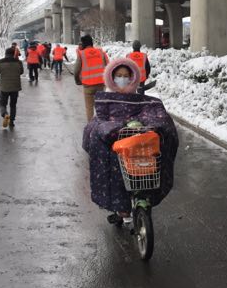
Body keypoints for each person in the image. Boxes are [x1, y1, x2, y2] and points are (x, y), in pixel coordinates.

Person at [82, 58, 178, 225]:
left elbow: (154, 113)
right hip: (119, 146)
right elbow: (100, 123)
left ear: (133, 77)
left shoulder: (141, 100)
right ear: (112, 78)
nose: (122, 79)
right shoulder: (106, 100)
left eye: (126, 75)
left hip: (139, 144)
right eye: (118, 75)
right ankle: (121, 207)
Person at [73, 35, 109, 121]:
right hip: (100, 84)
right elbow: (107, 65)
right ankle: (101, 123)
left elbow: (76, 70)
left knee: (89, 108)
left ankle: (91, 126)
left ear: (84, 44)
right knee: (100, 106)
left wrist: (77, 81)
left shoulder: (81, 54)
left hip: (88, 86)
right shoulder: (101, 52)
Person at [0, 47, 24, 127]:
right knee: (13, 105)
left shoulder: (1, 62)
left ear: (5, 54)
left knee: (3, 103)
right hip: (15, 87)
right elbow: (21, 72)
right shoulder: (18, 62)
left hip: (4, 87)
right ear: (13, 54)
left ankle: (5, 114)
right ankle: (12, 121)